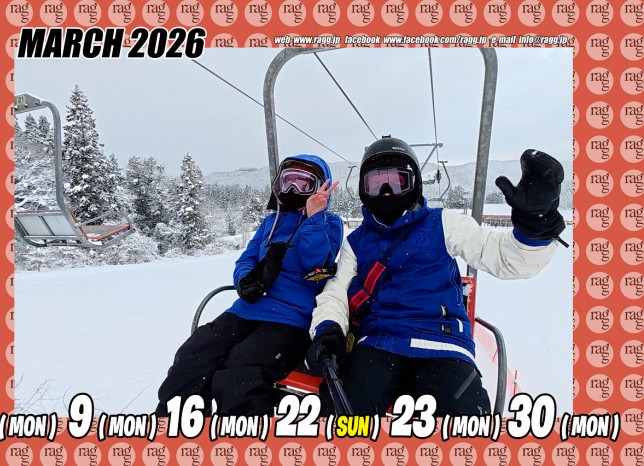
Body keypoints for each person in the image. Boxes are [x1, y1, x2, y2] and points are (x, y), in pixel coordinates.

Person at [306, 135, 566, 416]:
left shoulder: (443, 223)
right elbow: (336, 292)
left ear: (415, 183)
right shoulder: (356, 242)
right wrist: (328, 329)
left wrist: (533, 228)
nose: (386, 192)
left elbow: (503, 257)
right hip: (380, 343)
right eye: (377, 183)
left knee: (464, 426)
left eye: (397, 182)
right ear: (363, 189)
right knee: (338, 418)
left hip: (442, 343)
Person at [156, 154, 343, 416]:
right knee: (194, 355)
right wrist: (246, 280)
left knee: (241, 370)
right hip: (246, 310)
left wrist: (314, 217)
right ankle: (176, 422)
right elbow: (246, 259)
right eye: (289, 181)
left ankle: (243, 433)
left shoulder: (328, 223)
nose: (294, 189)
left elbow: (317, 264)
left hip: (290, 318)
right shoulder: (270, 222)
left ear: (319, 187)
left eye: (304, 183)